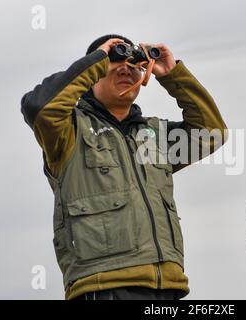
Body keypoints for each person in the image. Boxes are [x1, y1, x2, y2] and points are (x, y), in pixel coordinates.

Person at [21, 34, 227, 300]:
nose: (126, 67)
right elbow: (39, 107)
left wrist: (172, 75)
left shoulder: (153, 135)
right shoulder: (69, 131)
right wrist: (98, 58)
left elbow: (212, 134)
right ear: (91, 73)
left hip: (168, 286)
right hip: (104, 286)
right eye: (116, 60)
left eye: (134, 63)